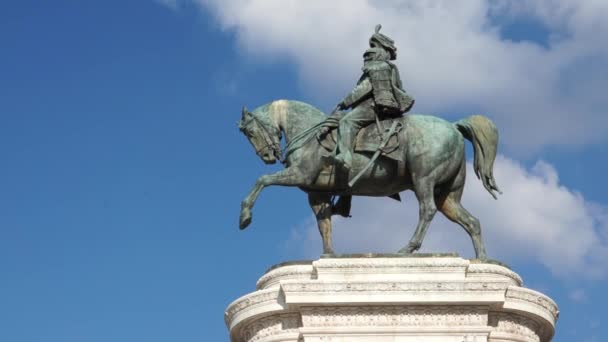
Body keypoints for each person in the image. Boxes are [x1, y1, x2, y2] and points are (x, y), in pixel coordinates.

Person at [333, 25, 414, 172]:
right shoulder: (389, 68)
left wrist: (344, 102)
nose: (367, 58)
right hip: (383, 106)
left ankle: (345, 156)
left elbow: (364, 89)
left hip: (372, 106)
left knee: (346, 122)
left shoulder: (377, 68)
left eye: (369, 55)